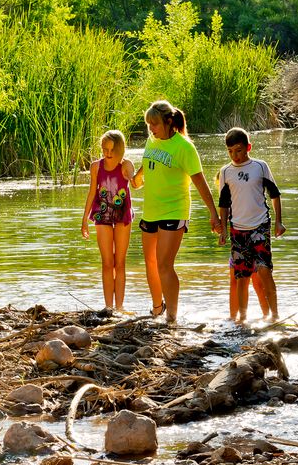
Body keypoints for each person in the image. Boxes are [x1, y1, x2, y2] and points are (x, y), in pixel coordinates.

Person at [133, 101, 221, 324]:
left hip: (174, 209)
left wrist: (213, 213)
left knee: (164, 265)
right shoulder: (151, 141)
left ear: (168, 122)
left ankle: (171, 317)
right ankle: (156, 310)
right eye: (149, 124)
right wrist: (134, 179)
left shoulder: (185, 147)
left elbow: (200, 182)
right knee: (151, 263)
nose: (151, 128)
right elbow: (146, 168)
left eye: (155, 124)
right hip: (151, 210)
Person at [218, 127, 286, 324]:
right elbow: (223, 204)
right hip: (237, 229)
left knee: (265, 270)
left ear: (248, 147)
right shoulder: (225, 172)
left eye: (238, 150)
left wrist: (279, 221)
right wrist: (222, 229)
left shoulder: (260, 166)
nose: (235, 155)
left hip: (260, 226)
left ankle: (274, 315)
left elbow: (275, 195)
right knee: (241, 276)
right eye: (230, 151)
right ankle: (242, 318)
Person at [82, 130, 134, 313]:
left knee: (120, 262)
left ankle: (120, 307)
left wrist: (131, 169)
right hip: (102, 214)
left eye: (112, 150)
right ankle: (108, 307)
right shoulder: (96, 166)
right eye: (105, 149)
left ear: (120, 149)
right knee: (107, 263)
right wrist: (84, 219)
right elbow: (91, 192)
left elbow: (134, 181)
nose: (108, 154)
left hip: (122, 214)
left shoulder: (125, 165)